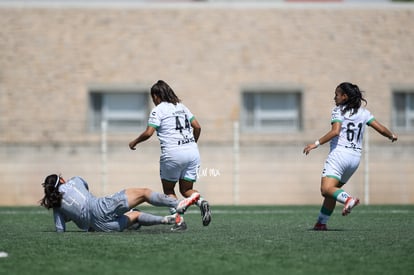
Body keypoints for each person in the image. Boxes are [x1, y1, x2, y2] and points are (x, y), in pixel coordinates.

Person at [303, 82, 397, 231]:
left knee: (326, 189)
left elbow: (335, 131)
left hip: (339, 155)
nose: (334, 98)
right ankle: (321, 223)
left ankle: (348, 199)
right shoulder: (364, 113)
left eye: (337, 95)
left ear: (344, 97)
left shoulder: (338, 111)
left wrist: (316, 143)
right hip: (354, 159)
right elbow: (380, 128)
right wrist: (391, 135)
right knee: (333, 192)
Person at [129, 80, 211, 231]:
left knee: (169, 190)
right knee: (186, 190)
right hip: (192, 152)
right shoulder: (182, 107)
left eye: (153, 97)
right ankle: (202, 202)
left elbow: (148, 132)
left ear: (156, 96)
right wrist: (192, 143)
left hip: (173, 154)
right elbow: (197, 127)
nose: (153, 101)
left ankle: (178, 221)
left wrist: (134, 142)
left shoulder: (158, 110)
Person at [40, 174, 200, 232]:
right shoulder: (73, 181)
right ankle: (177, 204)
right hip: (100, 207)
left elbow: (60, 229)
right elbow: (86, 189)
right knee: (144, 193)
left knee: (136, 215)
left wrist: (71, 214)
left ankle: (169, 220)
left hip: (99, 227)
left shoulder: (56, 207)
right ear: (61, 180)